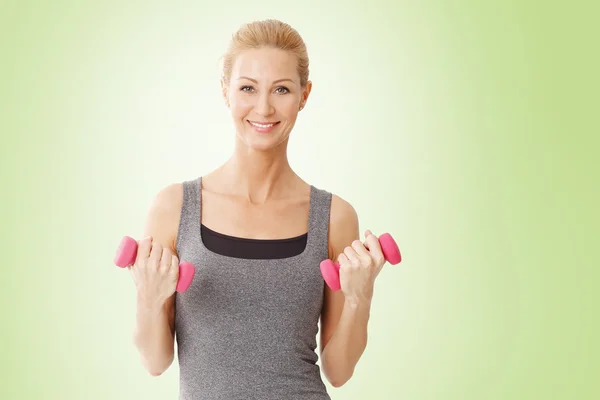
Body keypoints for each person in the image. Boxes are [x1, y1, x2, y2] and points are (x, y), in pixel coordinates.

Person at [129, 19, 388, 399]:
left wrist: (359, 296)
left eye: (281, 89)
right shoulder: (174, 208)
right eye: (248, 88)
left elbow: (339, 370)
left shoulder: (334, 217)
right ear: (226, 93)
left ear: (304, 95)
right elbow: (155, 361)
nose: (263, 108)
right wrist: (150, 299)